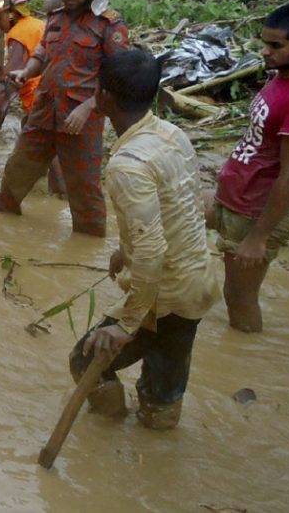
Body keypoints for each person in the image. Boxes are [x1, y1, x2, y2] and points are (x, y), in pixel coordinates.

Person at [68, 49, 220, 430]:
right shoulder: (172, 134)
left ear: (102, 97)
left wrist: (124, 325)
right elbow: (182, 206)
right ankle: (158, 433)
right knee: (164, 384)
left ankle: (108, 427)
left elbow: (152, 252)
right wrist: (125, 250)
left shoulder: (127, 166)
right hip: (197, 280)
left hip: (163, 293)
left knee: (85, 358)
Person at [0, 0, 130, 237]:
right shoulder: (55, 17)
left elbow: (119, 73)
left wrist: (89, 106)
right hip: (44, 110)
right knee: (15, 173)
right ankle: (3, 229)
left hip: (81, 120)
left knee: (84, 189)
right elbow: (43, 52)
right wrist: (26, 71)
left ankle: (88, 244)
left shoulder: (109, 24)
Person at [210, 2, 289, 333]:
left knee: (239, 297)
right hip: (236, 196)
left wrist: (259, 237)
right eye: (263, 43)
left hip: (255, 210)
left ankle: (245, 359)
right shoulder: (282, 78)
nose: (265, 52)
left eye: (275, 46)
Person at [0, 0, 65, 196]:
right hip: (55, 94)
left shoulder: (18, 35)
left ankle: (60, 193)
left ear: (11, 13)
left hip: (40, 99)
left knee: (45, 149)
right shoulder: (35, 24)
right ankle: (55, 192)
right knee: (50, 144)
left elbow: (10, 80)